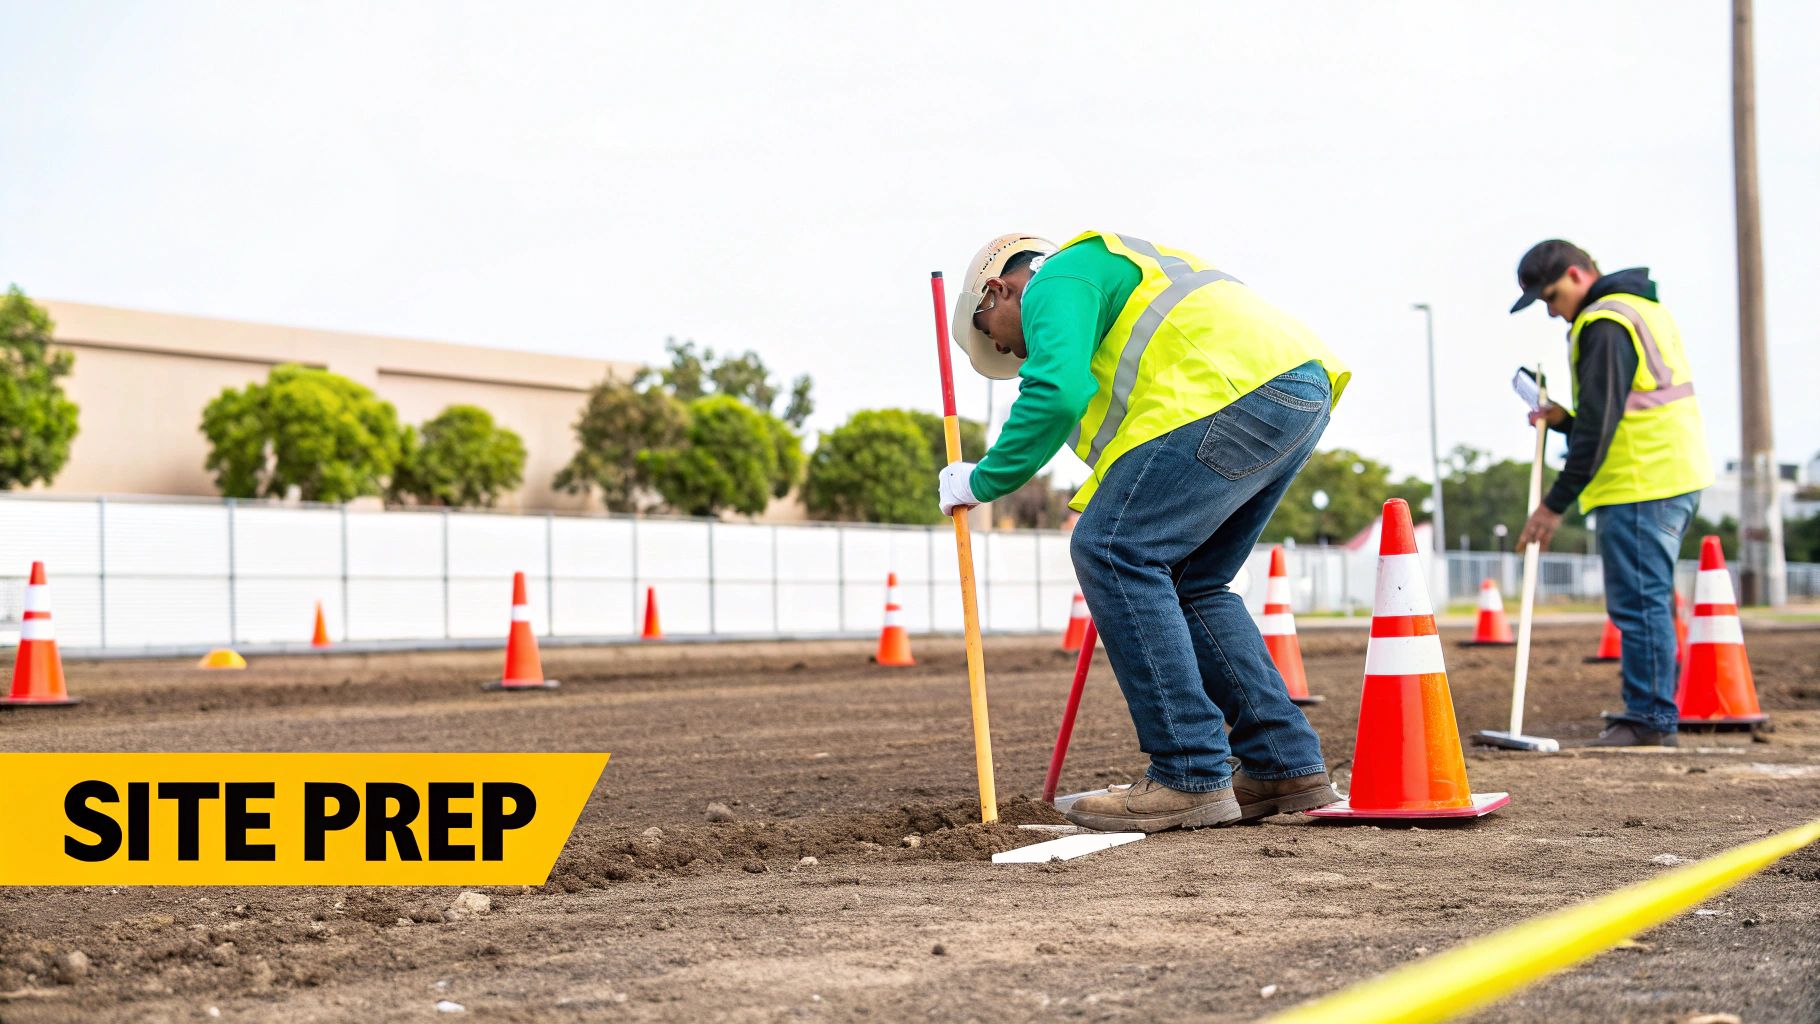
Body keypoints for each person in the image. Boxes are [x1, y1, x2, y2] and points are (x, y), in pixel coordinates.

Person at [938, 232, 1350, 831]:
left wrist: (985, 479)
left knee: (1111, 550)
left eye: (995, 335)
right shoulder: (1107, 291)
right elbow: (1139, 458)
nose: (1011, 353)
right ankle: (1283, 766)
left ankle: (1190, 772)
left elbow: (1056, 395)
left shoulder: (1056, 279)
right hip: (1288, 391)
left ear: (998, 290)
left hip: (1232, 393)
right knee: (1194, 581)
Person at [1509, 239, 1713, 747]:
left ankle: (1649, 718)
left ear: (1578, 274)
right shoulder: (1637, 309)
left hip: (1643, 481)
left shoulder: (1604, 323)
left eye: (1552, 297)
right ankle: (1651, 710)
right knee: (1647, 601)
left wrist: (1553, 506)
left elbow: (1601, 427)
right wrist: (1561, 421)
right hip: (1664, 476)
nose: (1553, 312)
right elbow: (1611, 416)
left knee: (1640, 604)